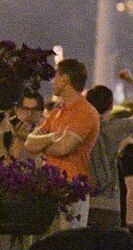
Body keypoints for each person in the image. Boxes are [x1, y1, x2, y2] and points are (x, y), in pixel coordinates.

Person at [25, 59, 100, 231]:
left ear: (65, 79)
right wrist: (52, 137)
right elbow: (29, 143)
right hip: (49, 190)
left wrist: (43, 143)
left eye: (55, 76)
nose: (52, 81)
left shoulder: (85, 112)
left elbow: (63, 148)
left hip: (72, 190)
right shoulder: (56, 112)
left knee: (67, 249)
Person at [84, 70, 133, 229]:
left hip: (82, 203)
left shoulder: (80, 127)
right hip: (109, 206)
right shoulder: (114, 129)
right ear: (110, 106)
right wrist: (131, 79)